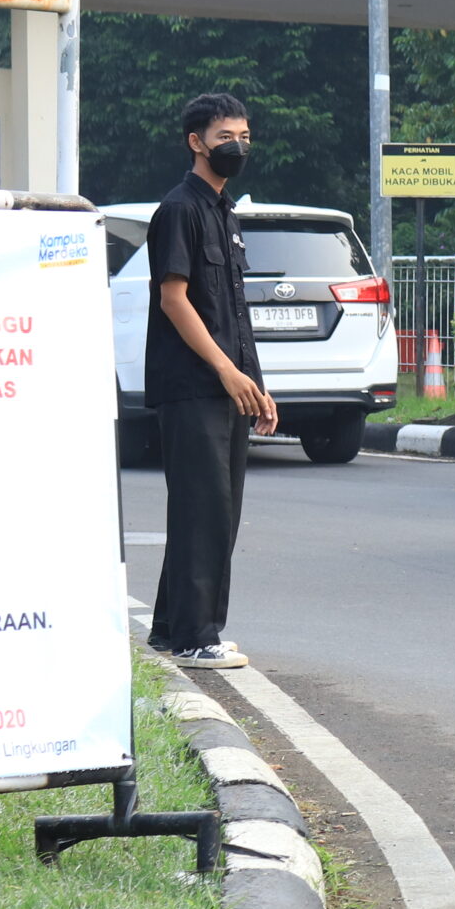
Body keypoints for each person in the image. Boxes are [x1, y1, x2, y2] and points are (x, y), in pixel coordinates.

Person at [144, 91, 275, 670]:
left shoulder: (225, 211)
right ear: (196, 142)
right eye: (226, 138)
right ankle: (200, 637)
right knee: (205, 510)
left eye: (244, 137)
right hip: (193, 384)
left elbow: (234, 311)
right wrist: (225, 371)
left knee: (216, 511)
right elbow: (174, 300)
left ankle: (171, 628)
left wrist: (256, 385)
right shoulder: (179, 210)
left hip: (227, 386)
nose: (238, 147)